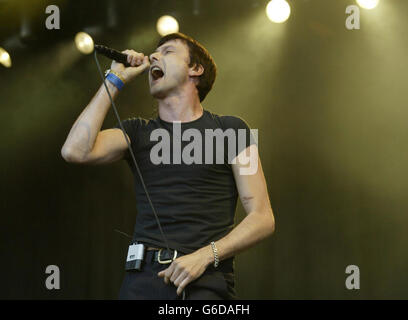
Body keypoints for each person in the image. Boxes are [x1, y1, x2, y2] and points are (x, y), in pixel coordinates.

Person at [61, 32, 275, 300]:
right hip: (142, 281)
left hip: (205, 280)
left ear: (196, 69)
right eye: (154, 53)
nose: (153, 57)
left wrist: (204, 256)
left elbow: (262, 217)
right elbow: (74, 151)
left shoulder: (230, 129)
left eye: (168, 51)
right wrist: (115, 79)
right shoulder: (137, 132)